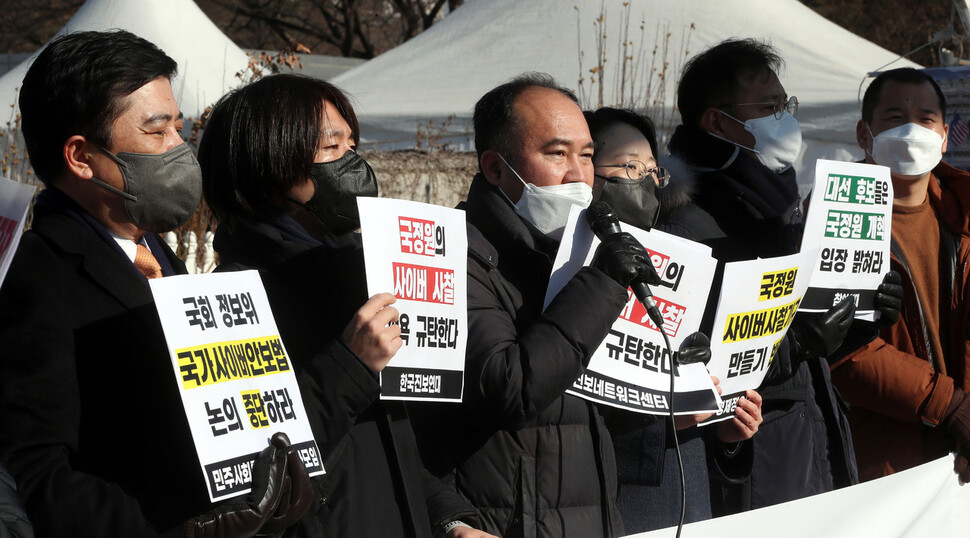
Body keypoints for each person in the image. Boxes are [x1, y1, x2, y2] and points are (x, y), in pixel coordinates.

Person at [0, 30, 312, 536]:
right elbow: (41, 472)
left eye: (179, 128)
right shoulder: (35, 278)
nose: (179, 147)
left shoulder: (155, 252)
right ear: (81, 156)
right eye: (157, 130)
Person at [197, 73, 494, 538]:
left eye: (352, 145)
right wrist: (352, 366)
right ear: (267, 165)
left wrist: (448, 518)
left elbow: (390, 443)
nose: (353, 163)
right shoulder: (233, 301)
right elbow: (251, 470)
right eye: (331, 148)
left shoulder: (362, 276)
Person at [408, 72, 667, 538]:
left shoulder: (576, 252)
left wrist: (674, 404)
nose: (578, 174)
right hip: (503, 522)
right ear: (494, 168)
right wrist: (603, 285)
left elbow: (580, 407)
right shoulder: (455, 255)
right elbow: (510, 387)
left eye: (587, 156)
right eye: (556, 153)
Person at [663, 38, 860, 512]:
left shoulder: (777, 206)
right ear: (718, 121)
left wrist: (858, 320)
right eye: (770, 108)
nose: (786, 120)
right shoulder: (684, 221)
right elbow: (685, 365)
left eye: (785, 104)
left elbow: (799, 333)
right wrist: (798, 345)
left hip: (811, 433)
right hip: (755, 460)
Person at [585, 106, 764, 531]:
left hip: (688, 503)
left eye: (653, 170)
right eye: (630, 166)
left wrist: (728, 434)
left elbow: (697, 422)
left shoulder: (683, 266)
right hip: (611, 508)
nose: (646, 181)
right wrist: (660, 424)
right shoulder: (563, 271)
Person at [830, 67, 970, 484]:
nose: (911, 130)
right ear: (864, 134)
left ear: (945, 136)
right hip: (887, 466)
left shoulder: (965, 218)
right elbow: (845, 353)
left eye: (925, 119)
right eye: (894, 118)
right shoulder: (836, 219)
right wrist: (951, 405)